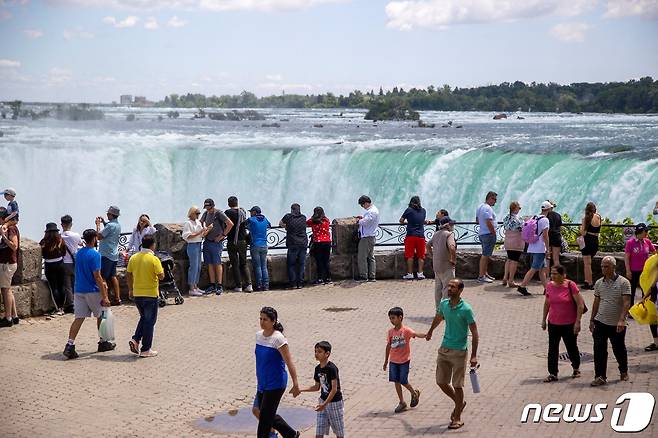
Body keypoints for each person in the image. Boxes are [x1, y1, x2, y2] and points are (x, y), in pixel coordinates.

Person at [426, 279, 479, 430]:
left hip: (459, 351)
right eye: (448, 286)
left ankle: (457, 417)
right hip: (444, 349)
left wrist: (474, 355)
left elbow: (475, 333)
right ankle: (459, 403)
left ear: (460, 290)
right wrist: (430, 331)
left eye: (453, 287)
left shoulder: (466, 309)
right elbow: (438, 317)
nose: (449, 289)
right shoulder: (444, 304)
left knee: (457, 385)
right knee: (441, 382)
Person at [62, 229, 114, 359]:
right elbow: (97, 276)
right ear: (95, 239)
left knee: (78, 318)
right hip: (93, 290)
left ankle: (70, 344)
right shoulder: (95, 255)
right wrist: (105, 296)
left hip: (79, 289)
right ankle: (103, 342)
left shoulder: (79, 253)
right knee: (101, 315)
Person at [255, 306, 301, 438]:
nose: (262, 322)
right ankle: (291, 434)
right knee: (266, 414)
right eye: (260, 319)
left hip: (276, 384)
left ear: (273, 321)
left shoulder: (278, 339)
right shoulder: (258, 336)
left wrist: (295, 383)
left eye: (265, 319)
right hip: (262, 383)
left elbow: (289, 361)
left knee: (264, 421)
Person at [589, 256, 631, 386]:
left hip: (616, 323)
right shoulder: (599, 283)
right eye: (602, 266)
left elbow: (626, 303)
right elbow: (596, 302)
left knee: (618, 349)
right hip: (600, 321)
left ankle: (623, 370)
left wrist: (621, 320)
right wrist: (592, 319)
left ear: (613, 267)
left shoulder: (623, 283)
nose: (603, 268)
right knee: (599, 349)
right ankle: (600, 376)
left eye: (606, 266)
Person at [541, 265, 585, 382]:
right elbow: (547, 303)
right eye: (552, 273)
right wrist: (544, 319)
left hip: (569, 324)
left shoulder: (571, 286)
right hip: (553, 322)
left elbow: (580, 305)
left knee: (571, 347)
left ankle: (576, 367)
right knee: (552, 349)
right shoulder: (549, 286)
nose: (552, 276)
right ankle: (553, 373)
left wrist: (578, 322)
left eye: (555, 274)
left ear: (563, 275)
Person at [127, 235, 164, 358]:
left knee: (144, 318)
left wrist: (130, 289)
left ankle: (136, 339)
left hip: (138, 293)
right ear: (153, 245)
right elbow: (161, 275)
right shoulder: (153, 259)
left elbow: (128, 274)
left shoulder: (134, 258)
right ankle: (146, 349)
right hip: (151, 294)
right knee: (150, 322)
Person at [383, 306, 426, 413]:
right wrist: (385, 361)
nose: (391, 321)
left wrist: (426, 335)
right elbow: (388, 346)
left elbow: (416, 334)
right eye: (390, 318)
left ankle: (414, 393)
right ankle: (402, 402)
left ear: (400, 317)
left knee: (403, 380)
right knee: (396, 381)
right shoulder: (390, 332)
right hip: (393, 361)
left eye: (393, 318)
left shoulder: (406, 330)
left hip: (404, 361)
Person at [300, 341, 344, 438]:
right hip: (322, 402)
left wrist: (325, 404)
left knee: (339, 432)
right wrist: (300, 390)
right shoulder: (317, 369)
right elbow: (316, 387)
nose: (316, 354)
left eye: (319, 352)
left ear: (327, 354)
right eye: (315, 351)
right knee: (319, 432)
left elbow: (334, 389)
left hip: (334, 403)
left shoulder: (332, 368)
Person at [517, 202, 551, 296]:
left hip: (532, 246)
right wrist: (547, 249)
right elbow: (545, 235)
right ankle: (522, 286)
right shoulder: (545, 220)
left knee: (542, 269)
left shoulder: (535, 217)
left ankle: (546, 289)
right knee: (534, 268)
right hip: (540, 248)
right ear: (549, 209)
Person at [201, 198, 233, 295]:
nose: (207, 209)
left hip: (216, 242)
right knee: (209, 263)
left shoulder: (219, 213)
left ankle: (219, 285)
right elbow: (200, 222)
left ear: (212, 206)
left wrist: (222, 236)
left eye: (209, 207)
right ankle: (212, 285)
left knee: (217, 263)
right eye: (206, 207)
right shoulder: (206, 213)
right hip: (207, 241)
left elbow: (230, 224)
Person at [225, 196, 253, 292]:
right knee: (243, 263)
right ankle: (249, 284)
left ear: (229, 204)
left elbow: (225, 224)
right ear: (237, 203)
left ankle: (239, 286)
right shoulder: (242, 212)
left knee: (235, 264)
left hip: (232, 240)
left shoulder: (228, 213)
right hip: (242, 240)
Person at [427, 216, 456, 307]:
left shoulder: (436, 234)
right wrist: (453, 259)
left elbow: (427, 245)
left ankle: (438, 310)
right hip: (446, 265)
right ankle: (445, 310)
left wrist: (432, 256)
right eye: (451, 224)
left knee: (438, 289)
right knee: (447, 288)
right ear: (447, 225)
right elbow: (451, 247)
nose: (453, 226)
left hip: (436, 265)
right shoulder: (449, 234)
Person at [95, 205, 122, 305]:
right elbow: (110, 229)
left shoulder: (110, 226)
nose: (107, 214)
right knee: (113, 276)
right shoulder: (117, 225)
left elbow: (98, 236)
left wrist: (98, 225)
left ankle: (105, 299)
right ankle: (118, 298)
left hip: (106, 255)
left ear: (112, 215)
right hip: (114, 255)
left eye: (108, 213)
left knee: (103, 277)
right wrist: (104, 222)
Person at [624, 223, 656, 306]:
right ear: (640, 232)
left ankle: (644, 308)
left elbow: (654, 252)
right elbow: (627, 257)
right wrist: (628, 271)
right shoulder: (630, 243)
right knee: (632, 290)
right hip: (634, 270)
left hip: (645, 271)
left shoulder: (647, 242)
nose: (646, 233)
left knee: (645, 290)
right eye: (645, 231)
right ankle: (630, 308)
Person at [39, 222, 67, 314]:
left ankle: (58, 308)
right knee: (62, 286)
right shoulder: (60, 240)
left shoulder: (44, 242)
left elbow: (41, 254)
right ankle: (62, 307)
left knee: (54, 287)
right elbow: (64, 252)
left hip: (49, 265)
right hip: (60, 263)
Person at [279, 204, 308, 289]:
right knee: (301, 264)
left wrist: (287, 227)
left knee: (291, 264)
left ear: (291, 210)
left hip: (293, 243)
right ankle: (301, 283)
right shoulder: (303, 217)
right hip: (303, 243)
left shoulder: (288, 217)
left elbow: (280, 223)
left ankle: (293, 283)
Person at [182, 206, 208, 296]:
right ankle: (191, 288)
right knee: (193, 266)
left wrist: (206, 230)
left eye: (199, 213)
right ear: (192, 213)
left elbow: (201, 235)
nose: (198, 215)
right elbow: (187, 236)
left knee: (198, 266)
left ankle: (196, 286)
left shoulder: (198, 222)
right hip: (192, 245)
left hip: (198, 243)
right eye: (197, 213)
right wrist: (200, 232)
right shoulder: (188, 223)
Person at [0, 207, 19, 327]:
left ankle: (8, 318)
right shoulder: (9, 227)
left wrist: (3, 236)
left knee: (5, 290)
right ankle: (15, 316)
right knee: (8, 289)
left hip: (7, 263)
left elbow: (14, 246)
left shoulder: (11, 229)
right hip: (8, 263)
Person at [400, 196, 427, 280]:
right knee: (421, 256)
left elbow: (401, 220)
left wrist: (407, 222)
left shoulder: (409, 210)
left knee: (410, 256)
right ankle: (420, 273)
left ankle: (410, 274)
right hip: (421, 236)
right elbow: (422, 220)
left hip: (411, 235)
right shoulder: (423, 210)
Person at [356, 195, 379, 282]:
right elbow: (368, 220)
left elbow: (365, 222)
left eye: (362, 205)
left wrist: (359, 220)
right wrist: (363, 218)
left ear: (366, 203)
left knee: (362, 257)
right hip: (371, 236)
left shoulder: (371, 212)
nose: (362, 207)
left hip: (367, 237)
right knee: (370, 257)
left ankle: (363, 276)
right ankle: (372, 276)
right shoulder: (373, 210)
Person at [61, 215, 81, 313]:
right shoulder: (76, 235)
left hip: (64, 263)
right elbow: (80, 244)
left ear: (62, 225)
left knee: (67, 286)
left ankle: (70, 304)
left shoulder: (60, 237)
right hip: (75, 262)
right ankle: (78, 302)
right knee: (75, 283)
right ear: (71, 224)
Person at [248, 206, 271, 292]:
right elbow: (269, 225)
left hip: (255, 245)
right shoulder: (265, 219)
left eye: (251, 212)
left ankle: (259, 285)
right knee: (264, 266)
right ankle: (266, 285)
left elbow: (244, 224)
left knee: (257, 266)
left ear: (254, 212)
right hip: (264, 245)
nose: (250, 213)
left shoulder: (251, 219)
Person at [476, 191, 497, 283]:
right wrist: (493, 233)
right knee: (485, 255)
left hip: (482, 233)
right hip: (488, 234)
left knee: (486, 255)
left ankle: (485, 273)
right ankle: (481, 276)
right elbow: (489, 221)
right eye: (494, 199)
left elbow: (477, 220)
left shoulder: (480, 207)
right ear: (490, 198)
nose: (495, 202)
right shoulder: (487, 208)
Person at [307, 207, 332, 285]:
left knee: (319, 261)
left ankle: (320, 279)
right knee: (326, 260)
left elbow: (307, 222)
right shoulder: (326, 220)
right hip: (327, 242)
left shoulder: (313, 221)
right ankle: (328, 278)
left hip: (318, 242)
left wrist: (313, 217)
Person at [580, 202, 602, 290]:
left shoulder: (585, 218)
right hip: (595, 241)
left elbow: (583, 232)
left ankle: (588, 282)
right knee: (589, 263)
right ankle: (589, 282)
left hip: (587, 241)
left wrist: (580, 229)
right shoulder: (599, 217)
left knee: (587, 264)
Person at [502, 201, 523, 288]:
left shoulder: (507, 217)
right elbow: (523, 228)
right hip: (516, 242)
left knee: (509, 259)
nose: (519, 209)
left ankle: (505, 278)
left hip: (508, 241)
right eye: (519, 208)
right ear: (515, 208)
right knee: (514, 261)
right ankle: (511, 280)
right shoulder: (518, 219)